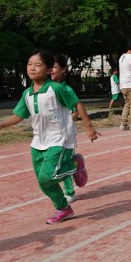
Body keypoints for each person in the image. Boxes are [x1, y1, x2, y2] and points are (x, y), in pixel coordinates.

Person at [0, 48, 100, 224]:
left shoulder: (57, 89)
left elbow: (76, 104)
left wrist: (88, 127)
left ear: (48, 70)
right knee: (43, 182)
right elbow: (19, 115)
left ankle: (75, 164)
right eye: (30, 64)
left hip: (59, 139)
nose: (32, 68)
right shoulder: (27, 94)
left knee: (48, 176)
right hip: (38, 142)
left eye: (38, 65)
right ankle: (64, 208)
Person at [51, 54, 96, 203]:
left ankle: (69, 192)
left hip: (66, 133)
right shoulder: (45, 89)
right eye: (48, 67)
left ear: (63, 69)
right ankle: (76, 163)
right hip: (49, 134)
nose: (50, 70)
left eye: (54, 67)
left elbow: (77, 109)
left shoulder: (66, 90)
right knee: (53, 164)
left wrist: (88, 127)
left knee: (63, 162)